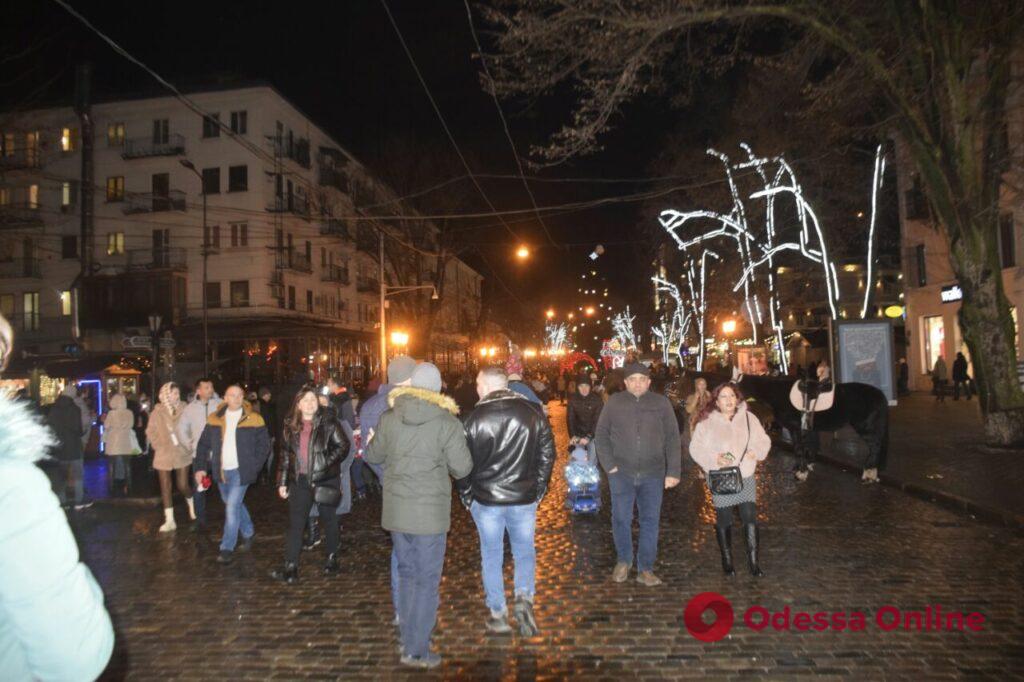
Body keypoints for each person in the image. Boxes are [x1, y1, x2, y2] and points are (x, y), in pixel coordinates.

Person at [365, 363, 473, 670]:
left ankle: (408, 636)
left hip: (398, 513)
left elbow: (372, 456)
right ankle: (417, 649)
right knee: (426, 580)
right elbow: (463, 468)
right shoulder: (446, 422)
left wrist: (374, 439)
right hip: (430, 515)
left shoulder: (389, 417)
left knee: (408, 574)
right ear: (439, 388)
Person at [460, 366, 555, 636]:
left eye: (478, 383)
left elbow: (462, 463)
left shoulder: (473, 418)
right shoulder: (532, 413)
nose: (476, 389)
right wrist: (539, 488)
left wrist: (467, 495)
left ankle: (498, 612)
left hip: (486, 499)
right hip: (523, 497)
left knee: (491, 555)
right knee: (524, 551)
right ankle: (524, 596)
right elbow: (548, 453)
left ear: (488, 386)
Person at [595, 362, 681, 586]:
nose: (637, 383)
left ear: (649, 382)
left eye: (642, 379)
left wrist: (673, 470)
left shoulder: (661, 403)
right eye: (632, 379)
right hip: (621, 473)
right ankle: (624, 559)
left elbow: (673, 437)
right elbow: (601, 434)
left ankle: (645, 568)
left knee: (650, 520)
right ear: (625, 383)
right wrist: (609, 465)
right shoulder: (615, 402)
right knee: (621, 518)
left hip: (653, 473)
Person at [688, 382, 772, 577]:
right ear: (716, 401)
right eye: (724, 397)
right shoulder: (707, 422)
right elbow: (696, 448)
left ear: (738, 399)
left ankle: (753, 561)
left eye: (732, 396)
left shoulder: (750, 418)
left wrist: (756, 451)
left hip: (745, 476)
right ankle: (727, 560)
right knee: (724, 518)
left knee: (749, 516)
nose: (729, 400)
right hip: (721, 477)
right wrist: (714, 459)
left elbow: (764, 440)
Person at [271, 384, 352, 583]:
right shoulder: (290, 424)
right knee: (296, 524)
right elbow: (285, 455)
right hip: (300, 481)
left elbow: (343, 445)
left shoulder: (328, 422)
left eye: (312, 400)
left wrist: (324, 461)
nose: (309, 404)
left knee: (329, 519)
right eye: (305, 400)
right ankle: (291, 567)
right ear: (298, 404)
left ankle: (332, 557)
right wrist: (282, 481)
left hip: (325, 479)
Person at [357, 356, 417, 620]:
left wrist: (384, 475)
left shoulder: (369, 406)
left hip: (388, 483)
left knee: (401, 546)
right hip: (413, 482)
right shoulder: (411, 403)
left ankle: (402, 605)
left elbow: (367, 452)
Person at [194, 385, 271, 564]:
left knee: (231, 507)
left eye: (239, 395)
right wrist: (200, 467)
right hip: (222, 470)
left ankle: (227, 547)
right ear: (225, 398)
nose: (236, 398)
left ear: (243, 397)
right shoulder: (214, 419)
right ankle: (248, 531)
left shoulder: (254, 419)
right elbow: (203, 445)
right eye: (232, 395)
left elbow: (264, 445)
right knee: (232, 504)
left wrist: (254, 466)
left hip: (241, 471)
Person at [147, 382, 194, 532]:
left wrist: (188, 442)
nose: (177, 396)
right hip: (164, 453)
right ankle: (170, 520)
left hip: (181, 452)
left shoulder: (185, 409)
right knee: (165, 487)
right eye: (174, 393)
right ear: (166, 394)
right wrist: (158, 446)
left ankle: (192, 504)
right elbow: (151, 431)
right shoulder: (157, 412)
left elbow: (191, 428)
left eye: (178, 393)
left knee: (182, 485)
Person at [177, 378, 222, 530]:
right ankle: (200, 519)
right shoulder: (190, 409)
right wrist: (189, 443)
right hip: (200, 453)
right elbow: (181, 428)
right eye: (206, 387)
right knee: (199, 487)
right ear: (198, 391)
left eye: (211, 386)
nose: (210, 389)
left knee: (225, 486)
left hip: (219, 454)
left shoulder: (220, 405)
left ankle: (231, 516)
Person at [46, 384, 91, 510]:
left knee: (62, 475)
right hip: (74, 447)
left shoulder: (53, 408)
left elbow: (50, 428)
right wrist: (83, 432)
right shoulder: (74, 409)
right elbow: (78, 429)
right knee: (78, 475)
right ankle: (79, 500)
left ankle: (62, 501)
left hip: (60, 448)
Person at [102, 393, 138, 496]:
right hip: (126, 441)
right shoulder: (129, 413)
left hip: (113, 442)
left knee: (111, 466)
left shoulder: (112, 413)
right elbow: (131, 425)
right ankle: (129, 486)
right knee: (127, 465)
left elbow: (106, 425)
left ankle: (111, 487)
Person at [567, 374, 603, 464]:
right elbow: (570, 419)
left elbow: (597, 420)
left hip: (593, 434)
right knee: (579, 461)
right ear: (577, 387)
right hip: (578, 434)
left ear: (590, 386)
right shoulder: (573, 400)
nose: (584, 389)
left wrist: (589, 437)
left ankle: (591, 475)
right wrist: (573, 436)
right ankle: (580, 475)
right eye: (581, 386)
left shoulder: (597, 400)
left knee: (592, 460)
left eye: (586, 386)